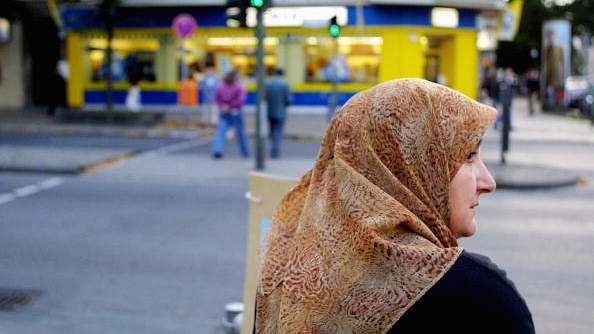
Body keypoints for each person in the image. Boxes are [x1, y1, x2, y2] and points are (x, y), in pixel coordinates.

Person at [255, 78, 535, 333]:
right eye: (468, 157)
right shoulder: (480, 300)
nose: (488, 182)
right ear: (415, 167)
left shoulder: (285, 274)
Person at [211, 68, 250, 159]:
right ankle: (245, 151)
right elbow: (241, 99)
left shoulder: (221, 86)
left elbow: (216, 98)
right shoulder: (239, 86)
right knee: (240, 132)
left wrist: (223, 106)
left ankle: (217, 150)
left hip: (224, 111)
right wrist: (231, 106)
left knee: (221, 131)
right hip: (236, 111)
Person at [265, 67, 292, 158]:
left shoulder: (268, 83)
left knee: (272, 131)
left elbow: (264, 97)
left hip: (270, 111)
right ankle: (275, 151)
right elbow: (288, 100)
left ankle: (272, 149)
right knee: (278, 131)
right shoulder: (285, 84)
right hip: (281, 112)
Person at [542, 29, 564, 109]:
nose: (551, 37)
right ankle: (551, 104)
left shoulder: (559, 47)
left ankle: (557, 104)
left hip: (557, 72)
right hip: (549, 73)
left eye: (552, 35)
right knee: (550, 89)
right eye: (549, 36)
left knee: (557, 88)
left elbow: (562, 60)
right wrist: (545, 71)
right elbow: (545, 61)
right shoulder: (546, 48)